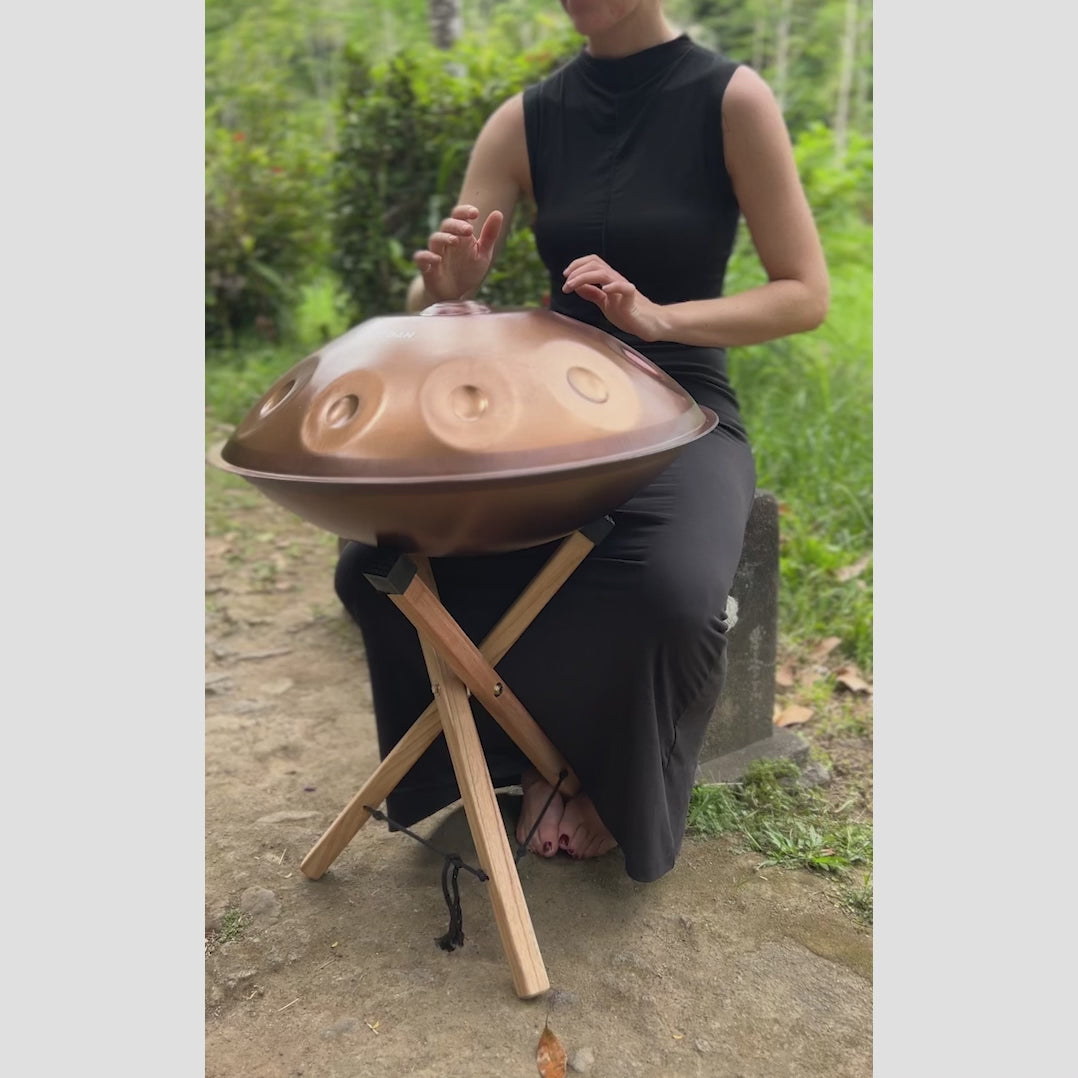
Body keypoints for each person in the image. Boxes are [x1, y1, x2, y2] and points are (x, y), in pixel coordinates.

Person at [334, 0, 828, 883]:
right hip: (549, 405)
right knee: (380, 566)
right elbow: (438, 299)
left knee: (668, 595)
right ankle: (520, 761)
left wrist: (659, 318)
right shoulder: (523, 118)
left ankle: (601, 779)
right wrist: (443, 291)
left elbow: (803, 293)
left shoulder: (733, 100)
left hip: (685, 401)